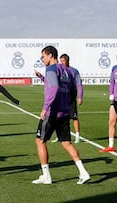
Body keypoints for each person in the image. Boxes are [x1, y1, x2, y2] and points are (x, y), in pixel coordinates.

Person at [32, 46, 90, 185]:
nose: (42, 59)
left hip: (53, 112)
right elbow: (63, 87)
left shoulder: (51, 69)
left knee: (40, 141)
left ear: (51, 55)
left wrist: (45, 107)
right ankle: (83, 172)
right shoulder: (66, 70)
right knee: (66, 143)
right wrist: (41, 77)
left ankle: (46, 176)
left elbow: (54, 87)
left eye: (43, 57)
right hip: (64, 111)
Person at [35, 54, 83, 144]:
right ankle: (59, 136)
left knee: (74, 117)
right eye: (61, 61)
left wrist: (80, 96)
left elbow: (78, 84)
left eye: (63, 61)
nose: (62, 63)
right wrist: (41, 77)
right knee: (59, 119)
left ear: (68, 61)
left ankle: (77, 136)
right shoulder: (60, 70)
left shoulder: (73, 71)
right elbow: (52, 83)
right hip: (60, 99)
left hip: (70, 98)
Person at [100, 61, 117, 152]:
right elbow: (112, 83)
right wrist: (111, 93)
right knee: (111, 122)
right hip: (115, 100)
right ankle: (111, 146)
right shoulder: (114, 68)